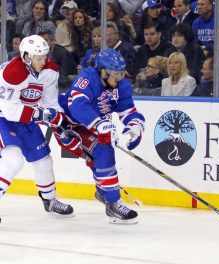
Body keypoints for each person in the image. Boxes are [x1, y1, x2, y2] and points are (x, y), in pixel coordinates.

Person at [56, 49, 145, 224]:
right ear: (103, 71)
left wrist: (135, 126)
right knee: (103, 152)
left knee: (100, 156)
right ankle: (112, 202)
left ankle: (104, 192)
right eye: (116, 74)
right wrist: (100, 124)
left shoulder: (122, 86)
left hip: (92, 128)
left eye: (121, 73)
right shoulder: (88, 77)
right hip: (68, 126)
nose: (119, 78)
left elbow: (128, 111)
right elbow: (77, 104)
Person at [0, 35, 74, 216]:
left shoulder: (50, 71)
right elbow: (10, 110)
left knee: (44, 161)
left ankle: (49, 200)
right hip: (3, 117)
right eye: (39, 58)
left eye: (44, 57)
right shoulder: (12, 72)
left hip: (26, 120)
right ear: (26, 57)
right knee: (13, 160)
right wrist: (40, 114)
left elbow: (50, 104)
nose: (43, 61)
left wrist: (60, 121)